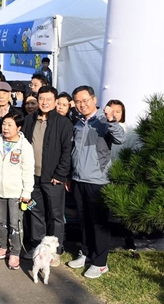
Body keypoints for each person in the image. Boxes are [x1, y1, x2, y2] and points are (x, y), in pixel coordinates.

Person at [67, 85, 125, 279]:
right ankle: (86, 253)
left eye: (85, 100)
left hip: (98, 181)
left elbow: (120, 139)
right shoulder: (77, 123)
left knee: (98, 223)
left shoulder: (103, 120)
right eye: (78, 102)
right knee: (83, 221)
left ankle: (100, 262)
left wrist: (112, 120)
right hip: (78, 178)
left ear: (94, 100)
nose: (82, 104)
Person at [21, 86, 74, 264]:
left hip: (53, 178)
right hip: (32, 178)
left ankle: (54, 251)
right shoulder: (29, 120)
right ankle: (38, 247)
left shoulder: (63, 123)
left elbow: (67, 151)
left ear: (55, 101)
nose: (44, 102)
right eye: (41, 99)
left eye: (48, 99)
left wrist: (60, 174)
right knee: (35, 212)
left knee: (56, 215)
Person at [0, 113, 35, 270]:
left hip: (16, 192)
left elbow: (28, 170)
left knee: (15, 223)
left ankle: (15, 252)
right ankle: (2, 247)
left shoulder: (24, 146)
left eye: (10, 125)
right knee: (1, 221)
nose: (5, 128)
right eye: (4, 124)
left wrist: (27, 191)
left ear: (18, 128)